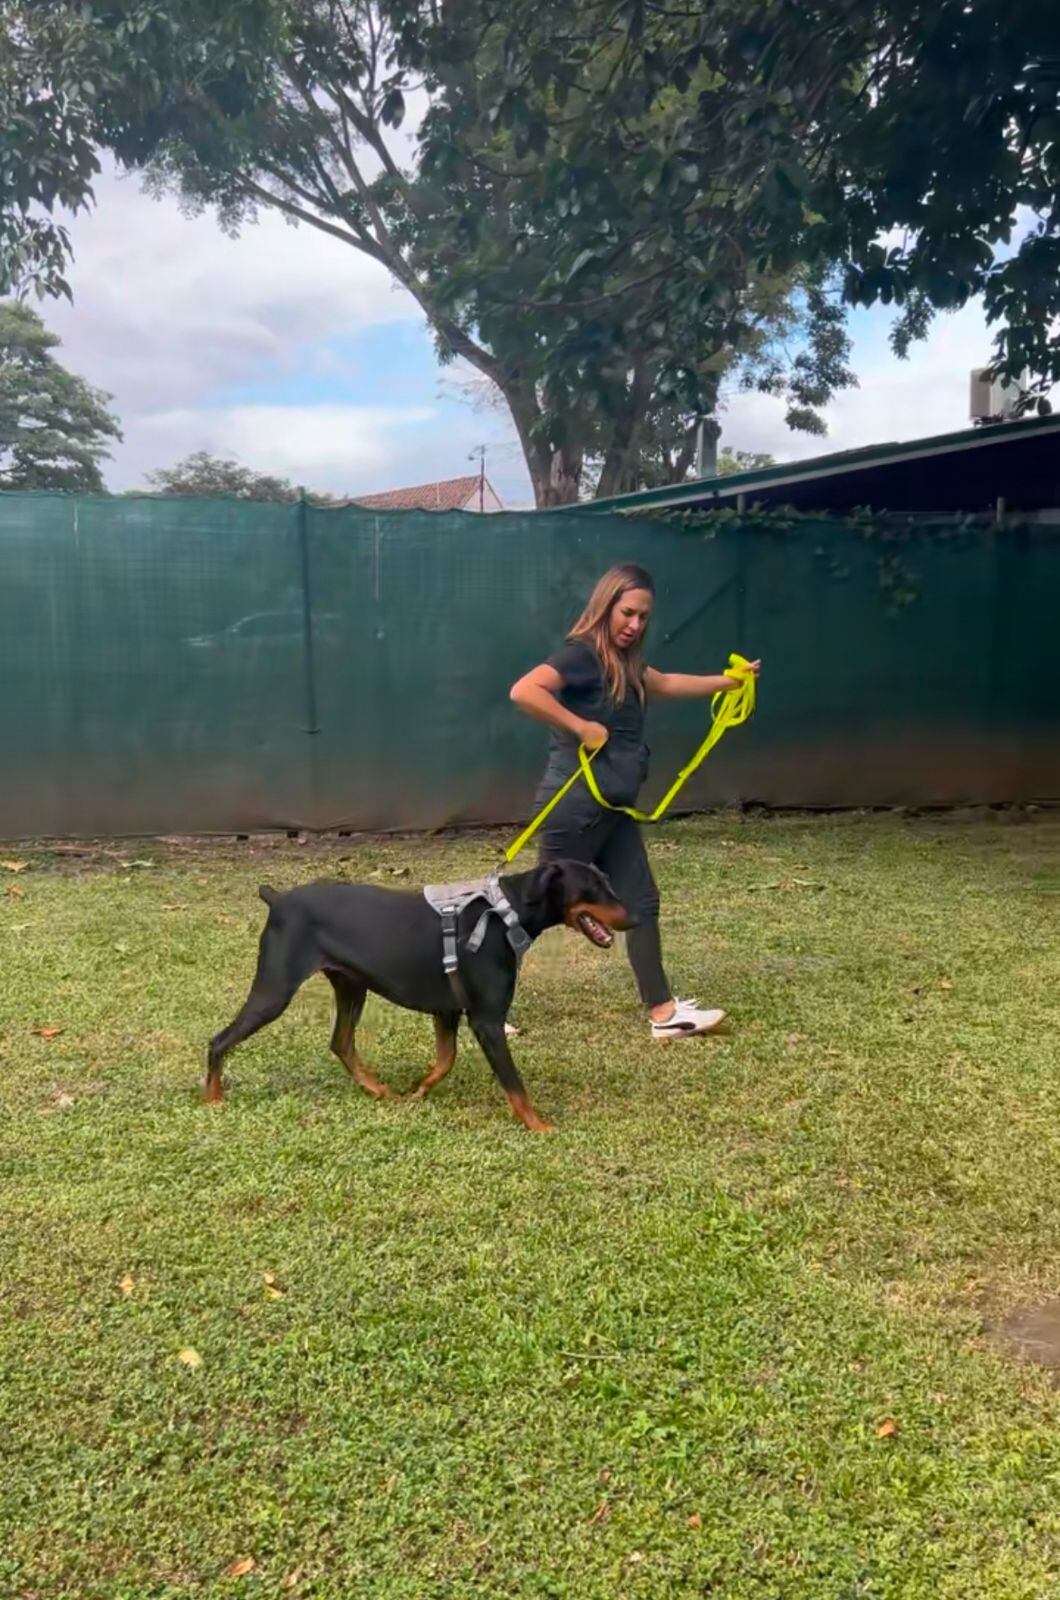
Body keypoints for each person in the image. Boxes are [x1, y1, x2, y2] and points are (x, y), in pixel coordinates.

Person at [509, 563, 760, 1040]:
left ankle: (663, 1013)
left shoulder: (627, 664)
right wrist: (581, 727)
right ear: (606, 606)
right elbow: (524, 691)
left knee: (641, 901)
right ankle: (477, 999)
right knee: (535, 910)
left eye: (644, 616)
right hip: (574, 809)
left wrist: (730, 682)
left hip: (613, 811)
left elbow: (667, 683)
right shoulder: (581, 655)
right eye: (627, 613)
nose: (635, 624)